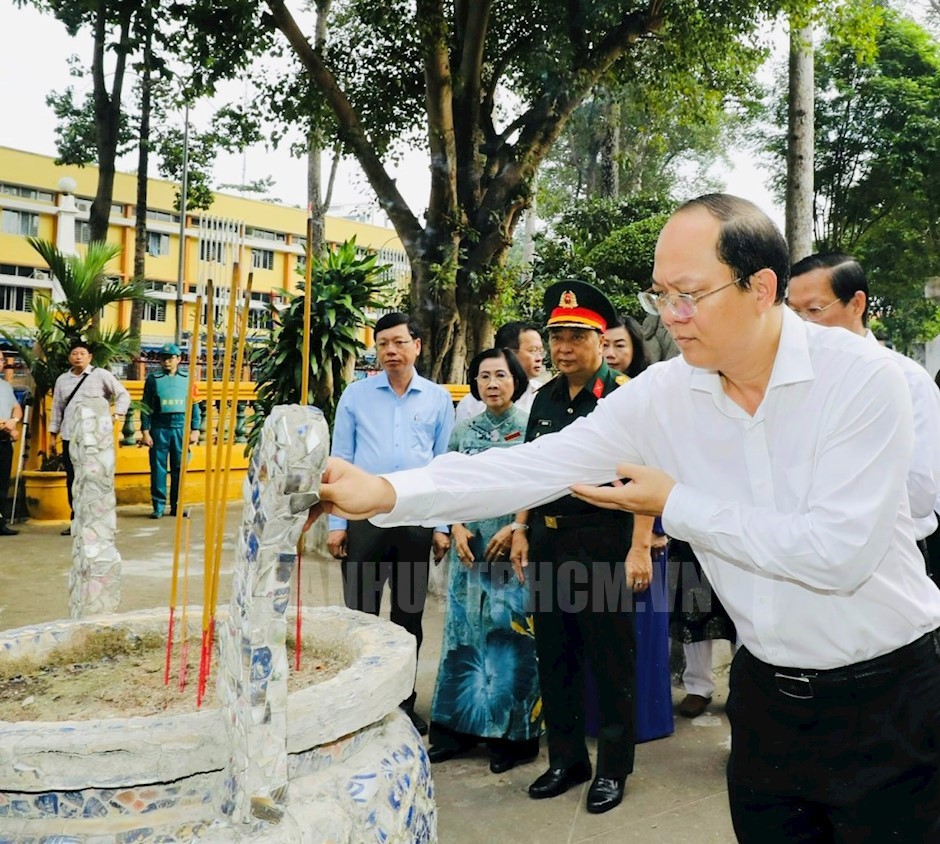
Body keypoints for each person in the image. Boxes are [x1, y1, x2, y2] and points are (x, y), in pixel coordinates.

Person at [306, 194, 940, 842]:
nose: (671, 316)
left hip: (887, 701)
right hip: (766, 704)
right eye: (660, 295)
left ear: (761, 288)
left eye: (689, 294)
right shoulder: (667, 395)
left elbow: (837, 555)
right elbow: (534, 465)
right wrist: (384, 491)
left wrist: (675, 503)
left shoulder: (864, 380)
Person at [506, 279, 653, 814]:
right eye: (556, 336)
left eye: (575, 336)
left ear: (600, 338)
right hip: (548, 541)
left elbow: (645, 477)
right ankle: (567, 760)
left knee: (611, 660)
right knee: (557, 655)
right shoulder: (543, 396)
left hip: (603, 543)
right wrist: (521, 527)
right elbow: (531, 470)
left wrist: (640, 547)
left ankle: (613, 769)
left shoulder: (623, 396)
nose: (563, 347)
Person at [328, 312, 455, 736]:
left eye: (399, 342)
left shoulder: (437, 399)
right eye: (383, 344)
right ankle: (361, 704)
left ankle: (403, 703)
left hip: (416, 519)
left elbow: (442, 465)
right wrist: (336, 525)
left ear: (417, 345)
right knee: (361, 615)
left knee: (410, 618)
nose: (390, 351)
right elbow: (339, 459)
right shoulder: (356, 395)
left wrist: (441, 526)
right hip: (365, 520)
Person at [428, 347, 542, 774]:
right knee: (462, 633)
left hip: (510, 549)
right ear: (475, 383)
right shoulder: (465, 430)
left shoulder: (529, 428)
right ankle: (458, 732)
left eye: (501, 375)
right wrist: (455, 526)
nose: (492, 383)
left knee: (506, 635)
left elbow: (536, 485)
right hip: (468, 548)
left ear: (516, 380)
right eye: (484, 376)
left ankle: (514, 740)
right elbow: (449, 484)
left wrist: (516, 527)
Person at [787, 253, 940, 557]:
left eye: (814, 310)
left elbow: (921, 493)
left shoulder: (909, 381)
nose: (801, 325)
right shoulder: (792, 381)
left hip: (890, 556)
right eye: (793, 312)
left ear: (856, 304)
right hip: (805, 551)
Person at [49, 340, 131, 535]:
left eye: (82, 353)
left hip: (95, 438)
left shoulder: (101, 375)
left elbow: (123, 395)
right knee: (74, 480)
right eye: (74, 353)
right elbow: (56, 409)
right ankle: (76, 521)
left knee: (96, 479)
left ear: (90, 357)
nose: (78, 356)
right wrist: (53, 436)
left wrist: (116, 415)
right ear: (69, 357)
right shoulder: (62, 380)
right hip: (71, 437)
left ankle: (98, 522)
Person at [140, 343, 202, 519]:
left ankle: (177, 505)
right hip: (160, 427)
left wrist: (195, 429)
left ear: (179, 359)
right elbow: (146, 406)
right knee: (158, 468)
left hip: (180, 427)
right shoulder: (153, 380)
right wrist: (145, 430)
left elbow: (195, 406)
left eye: (171, 358)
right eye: (163, 358)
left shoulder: (188, 379)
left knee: (179, 468)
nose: (167, 361)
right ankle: (158, 506)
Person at [454, 321, 544, 424]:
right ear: (508, 353)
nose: (539, 358)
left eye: (540, 352)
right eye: (533, 350)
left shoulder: (543, 396)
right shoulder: (471, 404)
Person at [0, 378, 23, 536]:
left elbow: (16, 407)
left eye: (0, 360)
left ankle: (1, 522)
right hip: (6, 433)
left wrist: (14, 421)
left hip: (3, 441)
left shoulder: (5, 386)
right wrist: (9, 429)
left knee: (2, 483)